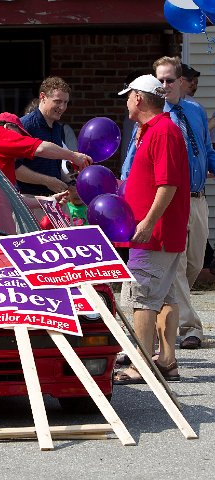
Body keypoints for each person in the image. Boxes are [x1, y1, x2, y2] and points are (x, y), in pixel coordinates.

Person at [123, 58, 215, 350]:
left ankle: (153, 355)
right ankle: (178, 342)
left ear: (181, 83)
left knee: (185, 270)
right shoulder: (153, 126)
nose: (164, 86)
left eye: (169, 81)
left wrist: (147, 222)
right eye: (159, 81)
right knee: (168, 281)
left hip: (184, 205)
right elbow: (134, 165)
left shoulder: (180, 119)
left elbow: (200, 155)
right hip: (165, 210)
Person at [113, 74, 189, 385]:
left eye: (128, 96)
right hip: (158, 233)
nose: (127, 101)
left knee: (142, 299)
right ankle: (167, 361)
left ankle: (140, 365)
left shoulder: (163, 130)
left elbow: (167, 183)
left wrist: (147, 222)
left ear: (140, 99)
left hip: (154, 235)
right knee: (165, 296)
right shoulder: (150, 131)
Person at [0, 112, 91, 186]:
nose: (21, 138)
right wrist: (74, 156)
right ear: (8, 127)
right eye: (20, 134)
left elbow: (9, 199)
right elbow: (40, 148)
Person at [16, 76, 73, 196]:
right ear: (43, 97)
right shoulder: (25, 125)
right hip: (29, 200)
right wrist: (47, 181)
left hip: (55, 199)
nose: (62, 107)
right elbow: (15, 169)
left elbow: (52, 166)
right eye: (57, 101)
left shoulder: (57, 128)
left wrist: (69, 182)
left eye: (65, 102)